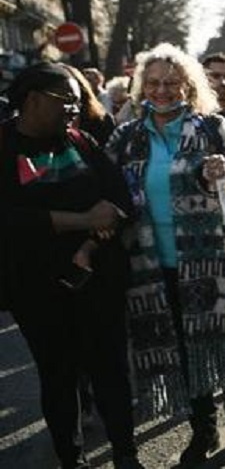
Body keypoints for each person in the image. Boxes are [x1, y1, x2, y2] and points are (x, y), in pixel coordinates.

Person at [104, 44, 225, 466]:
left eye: (171, 83)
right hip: (151, 267)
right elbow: (107, 192)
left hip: (210, 258)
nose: (161, 91)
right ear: (142, 87)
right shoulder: (126, 137)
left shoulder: (214, 129)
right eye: (153, 83)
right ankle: (203, 428)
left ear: (188, 86)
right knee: (179, 345)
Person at [2, 63, 141, 469]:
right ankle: (71, 457)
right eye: (66, 101)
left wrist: (87, 247)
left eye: (78, 102)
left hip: (97, 281)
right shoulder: (3, 147)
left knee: (110, 370)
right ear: (32, 100)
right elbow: (9, 219)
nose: (74, 110)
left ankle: (126, 454)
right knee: (58, 375)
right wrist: (82, 220)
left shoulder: (82, 143)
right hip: (36, 288)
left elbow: (121, 203)